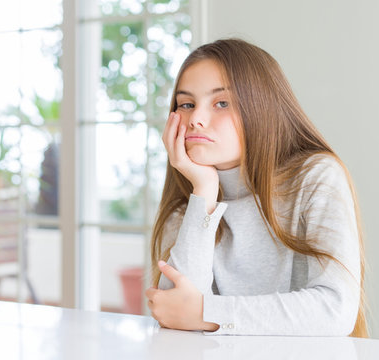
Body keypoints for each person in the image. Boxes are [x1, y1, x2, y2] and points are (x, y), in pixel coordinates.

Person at [145, 38, 367, 337]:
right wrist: (204, 190)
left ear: (262, 107)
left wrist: (205, 313)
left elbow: (335, 310)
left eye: (221, 103)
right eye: (186, 104)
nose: (196, 119)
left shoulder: (316, 176)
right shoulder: (192, 194)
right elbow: (175, 311)